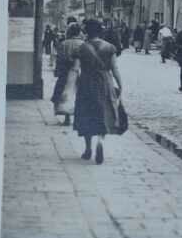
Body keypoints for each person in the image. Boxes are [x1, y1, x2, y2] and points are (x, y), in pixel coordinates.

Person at [73, 17, 126, 164]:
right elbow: (115, 68)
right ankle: (100, 142)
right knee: (104, 113)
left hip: (86, 83)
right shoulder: (109, 47)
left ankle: (88, 148)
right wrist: (120, 85)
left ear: (87, 32)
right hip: (105, 83)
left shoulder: (82, 48)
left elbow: (76, 69)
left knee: (87, 113)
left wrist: (73, 83)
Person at [51, 22, 83, 125]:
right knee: (78, 94)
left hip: (65, 72)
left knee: (65, 93)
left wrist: (57, 71)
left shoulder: (64, 43)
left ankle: (67, 118)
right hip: (79, 72)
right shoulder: (83, 44)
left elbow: (59, 59)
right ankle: (78, 117)